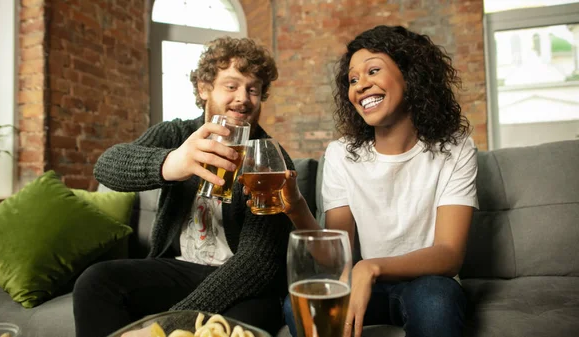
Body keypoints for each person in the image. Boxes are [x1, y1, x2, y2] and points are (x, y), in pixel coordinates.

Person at [73, 36, 295, 337]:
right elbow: (107, 166)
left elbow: (258, 263)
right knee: (95, 281)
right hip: (180, 269)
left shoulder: (270, 158)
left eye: (253, 89)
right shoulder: (177, 133)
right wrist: (172, 163)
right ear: (205, 89)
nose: (243, 98)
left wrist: (168, 324)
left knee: (234, 328)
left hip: (244, 283)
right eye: (231, 86)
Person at [275, 25, 478, 337]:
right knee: (296, 305)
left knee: (436, 300)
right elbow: (335, 257)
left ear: (411, 76)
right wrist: (296, 207)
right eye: (353, 79)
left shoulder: (456, 147)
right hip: (368, 287)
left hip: (430, 282)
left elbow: (449, 254)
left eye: (373, 71)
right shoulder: (342, 154)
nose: (360, 85)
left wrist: (370, 267)